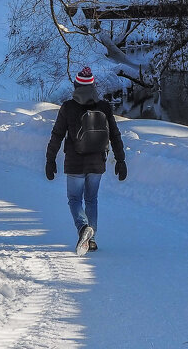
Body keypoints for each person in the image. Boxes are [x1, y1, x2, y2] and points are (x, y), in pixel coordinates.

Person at [45, 66, 127, 254]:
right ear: (93, 86)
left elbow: (57, 135)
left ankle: (83, 228)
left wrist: (50, 160)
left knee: (74, 198)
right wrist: (120, 160)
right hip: (97, 162)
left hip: (74, 162)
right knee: (91, 199)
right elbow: (114, 135)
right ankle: (91, 241)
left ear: (75, 85)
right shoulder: (104, 106)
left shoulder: (68, 107)